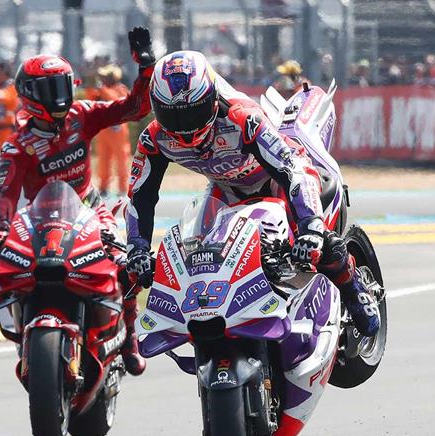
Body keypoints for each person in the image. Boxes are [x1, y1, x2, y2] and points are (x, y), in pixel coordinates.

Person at [124, 51, 380, 337]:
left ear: (211, 99)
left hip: (277, 178)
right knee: (199, 252)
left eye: (193, 111)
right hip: (225, 189)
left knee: (317, 244)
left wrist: (310, 227)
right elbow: (139, 198)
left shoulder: (242, 118)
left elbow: (290, 169)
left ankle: (353, 287)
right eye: (171, 114)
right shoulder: (153, 139)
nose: (184, 126)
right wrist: (137, 248)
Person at [0, 27, 156, 377]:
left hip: (90, 208)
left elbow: (134, 108)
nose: (61, 97)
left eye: (64, 86)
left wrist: (146, 67)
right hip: (39, 219)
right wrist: (1, 229)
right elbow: (5, 195)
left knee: (124, 262)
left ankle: (128, 339)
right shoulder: (18, 145)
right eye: (51, 89)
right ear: (31, 96)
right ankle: (27, 336)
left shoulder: (82, 114)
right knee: (12, 270)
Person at [88, 65, 132, 196]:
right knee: (103, 161)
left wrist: (101, 88)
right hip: (104, 131)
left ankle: (123, 188)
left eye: (106, 76)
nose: (103, 78)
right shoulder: (100, 91)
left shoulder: (121, 89)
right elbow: (90, 99)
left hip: (118, 132)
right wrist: (90, 85)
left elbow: (114, 99)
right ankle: (103, 187)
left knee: (121, 161)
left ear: (113, 77)